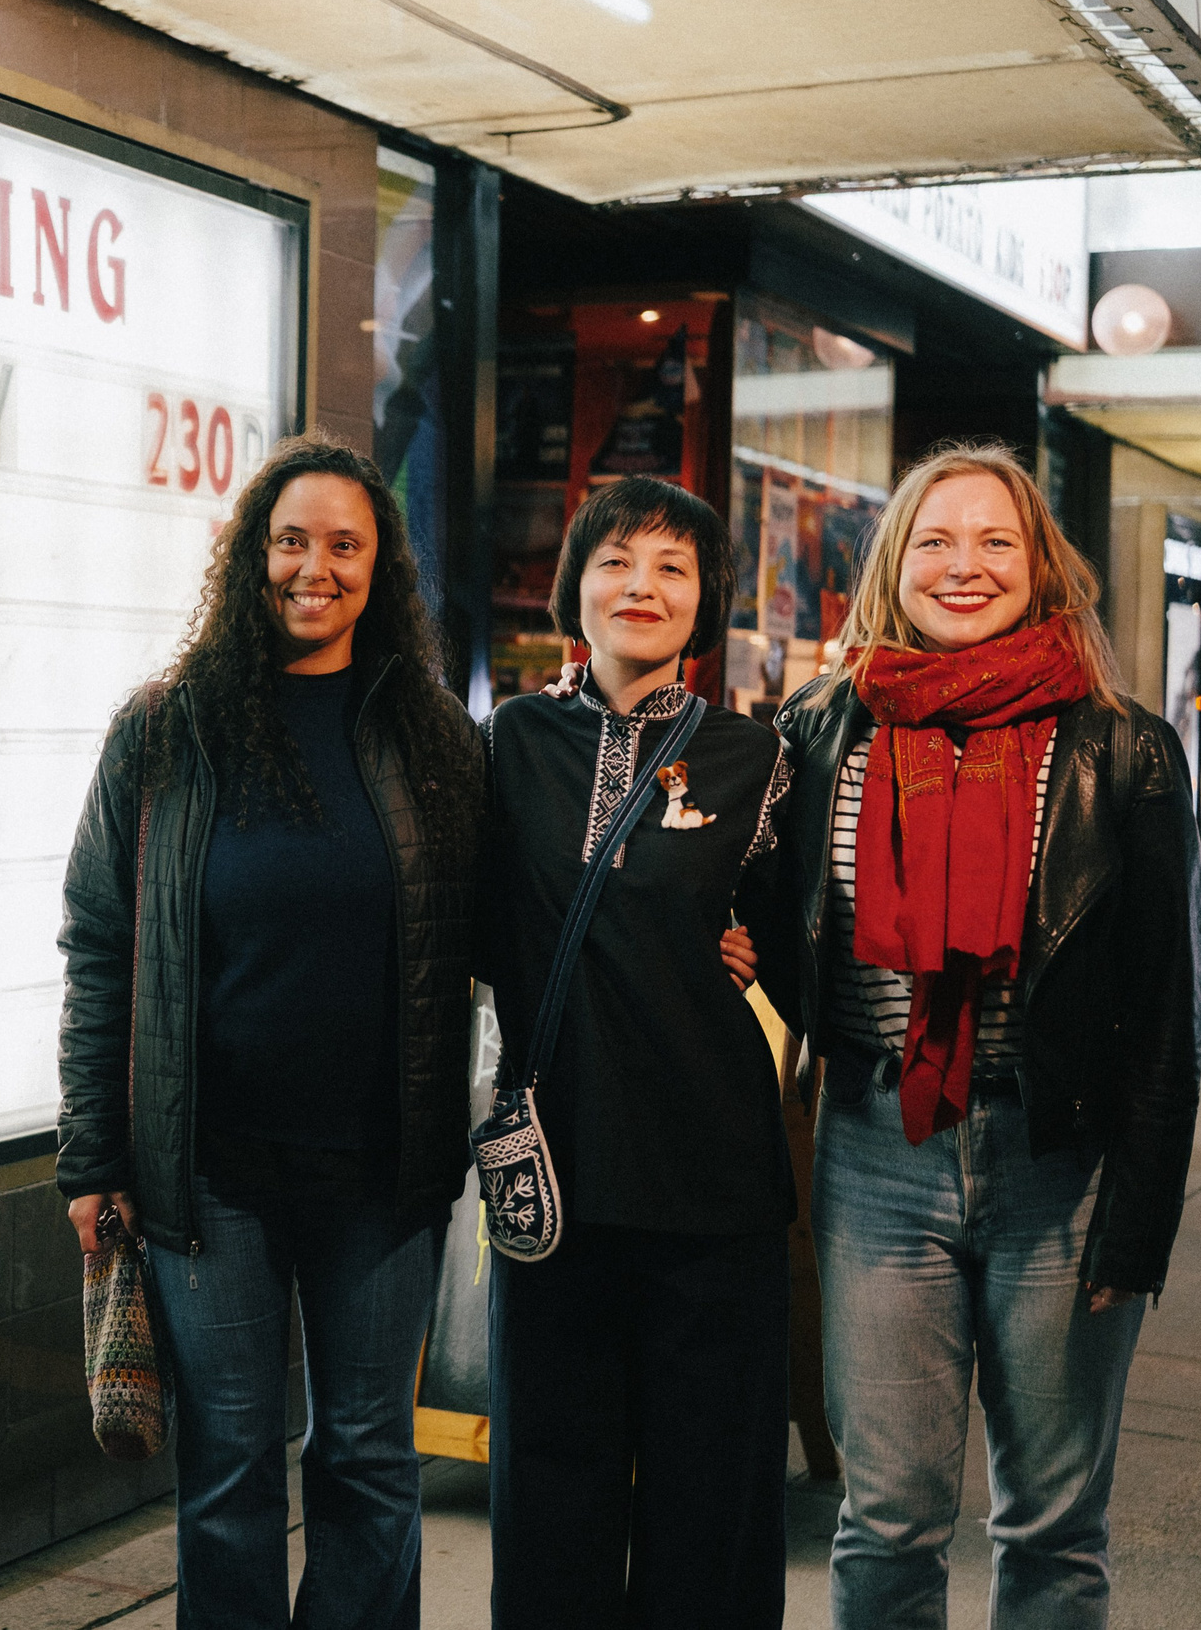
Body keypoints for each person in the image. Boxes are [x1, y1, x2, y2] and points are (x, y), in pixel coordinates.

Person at [54, 433, 482, 1630]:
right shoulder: (165, 733)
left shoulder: (429, 736)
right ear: (250, 557)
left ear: (377, 565)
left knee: (365, 1459)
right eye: (290, 540)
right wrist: (92, 1156)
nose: (315, 567)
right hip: (209, 1173)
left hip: (379, 1171)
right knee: (229, 1469)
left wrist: (707, 935)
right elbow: (98, 947)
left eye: (344, 545)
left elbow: (506, 920)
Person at [772, 442, 1201, 1629]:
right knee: (888, 1520)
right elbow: (767, 912)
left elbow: (1168, 1011)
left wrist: (1141, 1222)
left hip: (1060, 1163)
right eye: (936, 541)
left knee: (1053, 1530)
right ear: (894, 564)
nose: (964, 567)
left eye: (995, 542)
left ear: (1040, 566)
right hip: (873, 1153)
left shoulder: (1123, 750)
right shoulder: (820, 732)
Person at [481, 475, 798, 1630]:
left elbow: (803, 948)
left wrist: (756, 946)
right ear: (576, 585)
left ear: (706, 598)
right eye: (616, 560)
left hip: (711, 1184)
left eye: (672, 566)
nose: (642, 586)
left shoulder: (753, 758)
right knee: (549, 1498)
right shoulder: (506, 743)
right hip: (554, 1178)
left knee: (708, 1508)